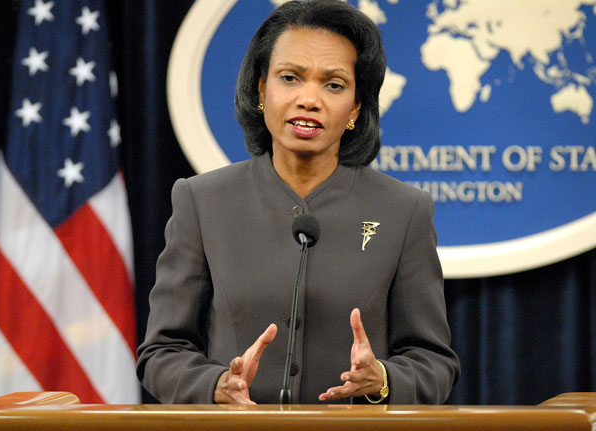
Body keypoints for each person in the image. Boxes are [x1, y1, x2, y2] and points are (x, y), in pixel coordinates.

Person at [137, 0, 460, 405]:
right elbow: (162, 352)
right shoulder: (201, 201)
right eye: (290, 78)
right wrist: (216, 385)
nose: (309, 99)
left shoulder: (404, 210)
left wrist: (382, 378)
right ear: (261, 89)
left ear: (356, 108)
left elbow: (434, 361)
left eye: (334, 85)